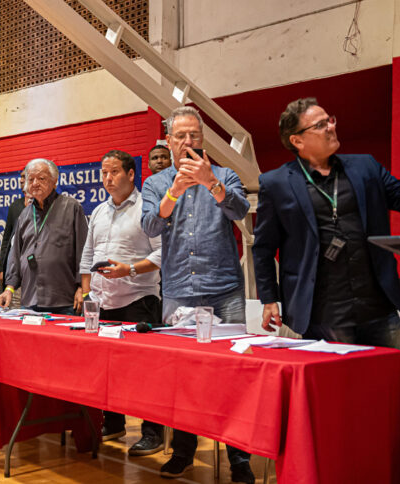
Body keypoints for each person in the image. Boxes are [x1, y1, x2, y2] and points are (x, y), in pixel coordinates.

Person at [253, 97, 400, 347]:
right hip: (323, 313)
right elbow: (264, 248)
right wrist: (269, 299)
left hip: (379, 309)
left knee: (387, 381)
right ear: (297, 140)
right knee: (338, 385)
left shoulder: (365, 167)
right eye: (320, 125)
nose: (331, 127)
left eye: (329, 120)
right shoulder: (276, 183)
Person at [140, 106, 254, 483]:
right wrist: (173, 192)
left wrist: (211, 184)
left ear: (202, 139)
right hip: (178, 292)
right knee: (182, 377)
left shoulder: (223, 174)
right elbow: (150, 225)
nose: (188, 142)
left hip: (224, 288)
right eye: (181, 136)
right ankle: (184, 451)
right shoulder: (156, 183)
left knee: (233, 375)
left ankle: (239, 459)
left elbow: (240, 209)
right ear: (168, 142)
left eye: (194, 136)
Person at [78, 149, 164, 456]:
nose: (107, 178)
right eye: (103, 173)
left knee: (145, 371)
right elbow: (87, 256)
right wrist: (87, 293)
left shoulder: (147, 209)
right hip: (103, 301)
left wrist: (129, 269)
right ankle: (112, 422)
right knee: (107, 367)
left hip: (139, 299)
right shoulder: (99, 211)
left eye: (114, 172)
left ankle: (153, 432)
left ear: (131, 174)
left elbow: (162, 253)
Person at [0, 159, 88, 314]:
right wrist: (9, 288)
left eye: (41, 178)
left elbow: (84, 250)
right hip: (30, 299)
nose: (35, 183)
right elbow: (16, 254)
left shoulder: (71, 207)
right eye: (30, 179)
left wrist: (82, 288)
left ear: (54, 181)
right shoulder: (24, 215)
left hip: (63, 299)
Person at [0, 169, 31, 307]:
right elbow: (7, 240)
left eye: (24, 176)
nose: (21, 180)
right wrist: (2, 269)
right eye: (20, 177)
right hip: (14, 269)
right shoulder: (15, 206)